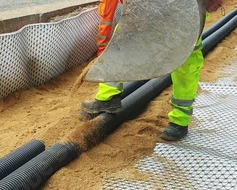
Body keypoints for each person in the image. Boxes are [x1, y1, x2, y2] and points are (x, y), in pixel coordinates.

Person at [81, 0, 224, 141]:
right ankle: (107, 97)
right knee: (125, 36)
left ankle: (180, 119)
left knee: (185, 56)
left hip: (188, 6)